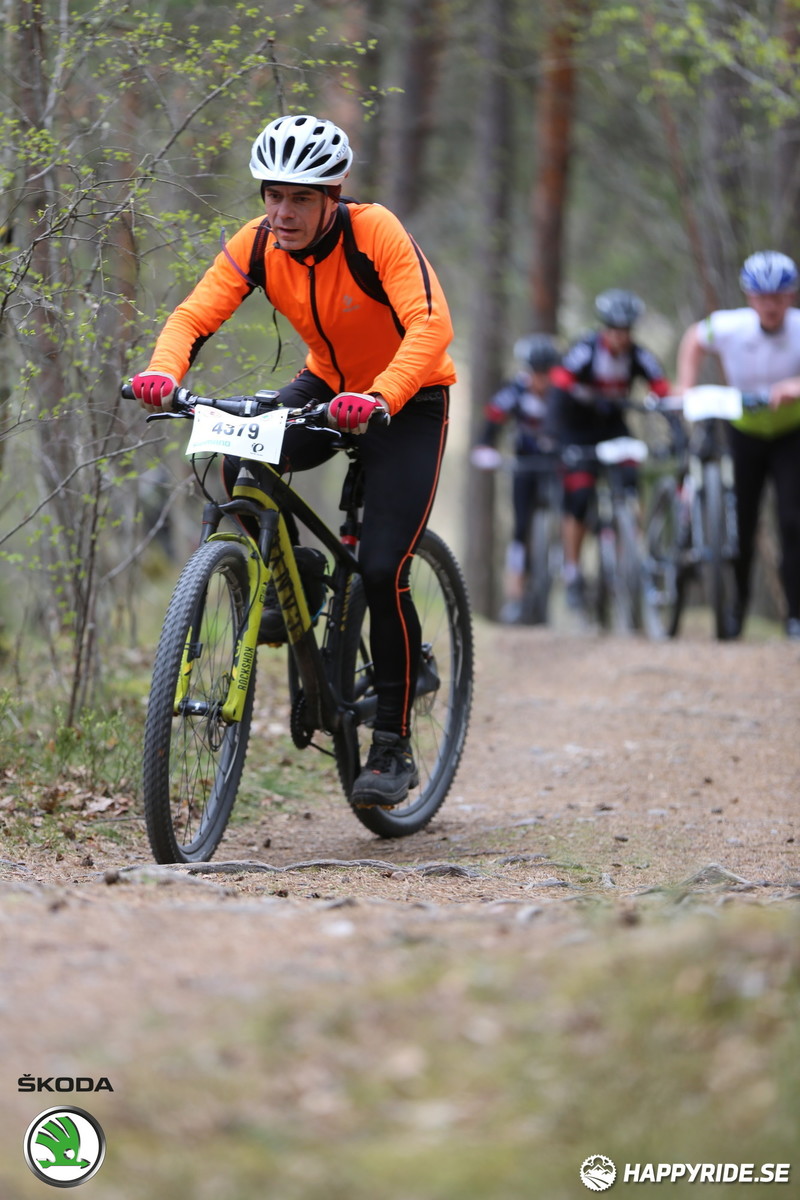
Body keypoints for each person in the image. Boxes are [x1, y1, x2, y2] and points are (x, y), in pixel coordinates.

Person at [130, 113, 457, 807]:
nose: (282, 212)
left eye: (301, 198)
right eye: (272, 195)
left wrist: (382, 396)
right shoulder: (257, 245)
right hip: (326, 386)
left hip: (408, 397)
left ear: (333, 197)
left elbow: (431, 325)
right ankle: (295, 581)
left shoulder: (375, 234)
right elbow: (192, 317)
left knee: (378, 569)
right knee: (231, 444)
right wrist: (164, 371)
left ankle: (392, 746)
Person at [675, 250, 800, 639]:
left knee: (792, 521)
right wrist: (686, 384)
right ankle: (736, 611)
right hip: (743, 431)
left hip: (790, 434)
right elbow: (694, 338)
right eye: (762, 297)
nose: (771, 306)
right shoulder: (730, 327)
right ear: (749, 298)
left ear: (791, 296)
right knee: (740, 525)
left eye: (779, 297)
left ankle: (795, 615)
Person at [546, 288, 671, 610]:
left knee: (631, 482)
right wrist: (556, 439)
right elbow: (558, 392)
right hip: (577, 429)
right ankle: (572, 571)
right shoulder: (584, 351)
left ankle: (628, 554)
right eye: (615, 330)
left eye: (626, 331)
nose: (620, 337)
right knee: (580, 496)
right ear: (604, 328)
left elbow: (662, 393)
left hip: (614, 427)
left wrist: (675, 432)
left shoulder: (639, 355)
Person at [470, 333, 560, 623]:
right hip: (524, 466)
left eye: (548, 372)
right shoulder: (514, 392)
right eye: (538, 373)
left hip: (559, 465)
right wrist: (486, 450)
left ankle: (573, 581)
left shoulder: (563, 391)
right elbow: (492, 423)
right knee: (521, 529)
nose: (543, 380)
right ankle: (516, 597)